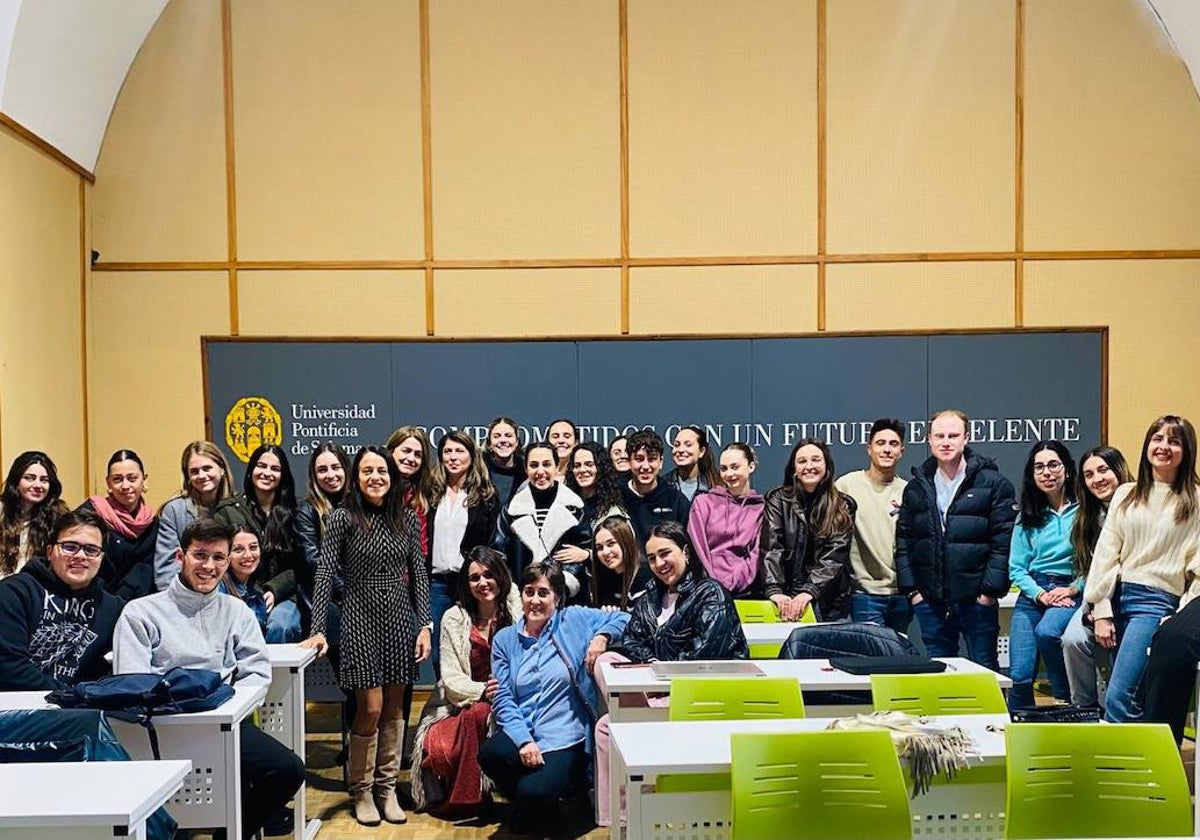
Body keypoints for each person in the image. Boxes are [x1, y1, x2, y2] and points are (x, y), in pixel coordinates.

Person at [114, 518, 305, 839]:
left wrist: (223, 712)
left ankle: (230, 833)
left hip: (225, 723)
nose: (209, 565)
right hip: (159, 728)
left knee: (288, 770)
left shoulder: (237, 611)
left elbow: (256, 674)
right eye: (200, 555)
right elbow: (131, 681)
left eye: (218, 557)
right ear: (180, 557)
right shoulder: (140, 612)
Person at [302, 445, 432, 826]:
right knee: (370, 708)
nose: (376, 477)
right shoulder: (342, 518)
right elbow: (324, 573)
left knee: (395, 709)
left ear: (392, 478)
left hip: (398, 617)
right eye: (367, 471)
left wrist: (424, 624)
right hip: (358, 615)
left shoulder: (406, 518)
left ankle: (386, 788)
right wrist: (318, 629)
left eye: (382, 471)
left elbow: (419, 575)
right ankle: (360, 790)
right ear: (356, 478)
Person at [593, 520, 749, 827]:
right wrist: (652, 663)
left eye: (666, 553)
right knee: (606, 678)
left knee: (607, 727)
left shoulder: (711, 593)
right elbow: (631, 640)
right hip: (660, 690)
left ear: (686, 552)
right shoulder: (652, 594)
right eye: (652, 558)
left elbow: (703, 657)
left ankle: (640, 807)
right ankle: (619, 821)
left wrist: (656, 670)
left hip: (702, 696)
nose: (659, 564)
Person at [479, 561, 628, 836]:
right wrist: (524, 740)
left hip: (564, 733)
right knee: (490, 754)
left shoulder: (572, 620)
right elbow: (502, 698)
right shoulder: (504, 639)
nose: (535, 600)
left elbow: (623, 618)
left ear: (557, 598)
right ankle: (534, 806)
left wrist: (601, 637)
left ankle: (542, 800)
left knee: (533, 791)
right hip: (523, 728)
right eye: (529, 592)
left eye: (543, 593)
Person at [1082, 415, 1200, 722]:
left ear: (1187, 450)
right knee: (1126, 694)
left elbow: (1197, 571)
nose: (1164, 446)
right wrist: (1102, 609)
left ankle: (1124, 765)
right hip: (1117, 597)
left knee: (1120, 696)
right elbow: (1106, 553)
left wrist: (1179, 617)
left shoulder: (1195, 499)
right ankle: (1138, 760)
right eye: (1157, 439)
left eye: (1174, 441)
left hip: (1155, 603)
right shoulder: (1126, 493)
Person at [895, 410, 1016, 670]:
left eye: (953, 435)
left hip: (976, 601)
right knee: (938, 671)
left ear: (966, 438)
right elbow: (904, 541)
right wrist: (914, 592)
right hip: (930, 601)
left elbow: (1003, 541)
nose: (946, 442)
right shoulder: (916, 487)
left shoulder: (993, 484)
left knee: (985, 670)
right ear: (929, 439)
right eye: (939, 436)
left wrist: (988, 592)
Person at [411, 547, 521, 814]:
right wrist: (483, 690)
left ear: (501, 576)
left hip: (512, 698)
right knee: (470, 719)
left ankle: (464, 797)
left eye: (488, 575)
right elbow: (450, 678)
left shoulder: (517, 608)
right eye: (474, 578)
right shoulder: (453, 617)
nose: (482, 583)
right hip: (460, 703)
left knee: (481, 713)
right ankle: (470, 794)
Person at [0, 508, 123, 690]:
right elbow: (9, 668)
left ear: (101, 558)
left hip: (75, 710)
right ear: (50, 552)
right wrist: (70, 698)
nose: (80, 556)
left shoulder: (112, 608)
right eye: (70, 547)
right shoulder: (14, 593)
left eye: (91, 550)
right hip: (16, 706)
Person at [1006, 440, 1080, 709]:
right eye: (1039, 467)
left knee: (1048, 632)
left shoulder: (1085, 511)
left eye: (1053, 465)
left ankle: (1065, 698)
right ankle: (1018, 733)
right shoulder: (1027, 514)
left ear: (1067, 470)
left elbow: (1096, 561)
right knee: (1020, 673)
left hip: (1070, 590)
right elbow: (1016, 567)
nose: (1047, 473)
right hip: (1034, 593)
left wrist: (1074, 587)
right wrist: (1040, 595)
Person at [1061, 446, 1131, 709]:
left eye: (1103, 470)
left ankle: (1120, 713)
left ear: (1119, 469)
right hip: (1097, 595)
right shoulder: (1086, 517)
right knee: (1073, 640)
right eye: (1089, 474)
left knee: (1120, 652)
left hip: (1130, 596)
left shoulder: (1137, 505)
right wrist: (1095, 609)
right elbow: (1093, 570)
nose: (1097, 479)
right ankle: (1085, 709)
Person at [214, 443, 303, 643]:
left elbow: (302, 564)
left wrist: (275, 588)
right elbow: (218, 559)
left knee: (281, 625)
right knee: (246, 624)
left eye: (275, 468)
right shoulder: (228, 511)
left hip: (284, 595)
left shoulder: (297, 512)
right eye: (261, 466)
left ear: (283, 476)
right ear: (251, 470)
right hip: (238, 594)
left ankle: (274, 676)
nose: (267, 473)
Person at [762, 438, 857, 621]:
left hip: (830, 602)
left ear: (826, 465)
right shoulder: (778, 500)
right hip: (785, 599)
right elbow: (772, 548)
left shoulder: (843, 505)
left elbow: (835, 556)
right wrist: (775, 590)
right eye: (802, 461)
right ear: (794, 469)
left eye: (816, 460)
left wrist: (809, 591)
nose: (809, 466)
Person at [428, 431, 499, 670]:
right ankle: (446, 703)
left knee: (473, 648)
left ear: (471, 455)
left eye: (460, 451)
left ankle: (475, 704)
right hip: (437, 584)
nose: (453, 457)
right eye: (448, 451)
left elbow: (490, 542)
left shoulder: (485, 495)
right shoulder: (431, 493)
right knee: (439, 652)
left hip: (469, 582)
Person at [835, 418, 911, 632]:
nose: (887, 449)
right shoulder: (846, 485)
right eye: (880, 443)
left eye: (893, 444)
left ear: (902, 451)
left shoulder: (909, 491)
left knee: (897, 658)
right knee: (873, 658)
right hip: (864, 594)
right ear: (869, 449)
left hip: (901, 595)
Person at [493, 442, 591, 604]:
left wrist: (560, 588)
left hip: (565, 599)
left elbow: (580, 553)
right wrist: (511, 591)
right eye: (533, 465)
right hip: (521, 598)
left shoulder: (575, 507)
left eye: (546, 464)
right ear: (526, 469)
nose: (540, 471)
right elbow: (498, 554)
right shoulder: (511, 510)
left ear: (557, 467)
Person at [77, 449, 158, 601]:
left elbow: (146, 569)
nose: (125, 485)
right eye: (117, 479)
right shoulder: (89, 514)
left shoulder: (152, 523)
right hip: (93, 600)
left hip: (138, 605)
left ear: (144, 480)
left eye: (132, 478)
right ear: (108, 483)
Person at [686, 442, 765, 598]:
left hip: (745, 592)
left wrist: (732, 584)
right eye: (723, 468)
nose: (729, 474)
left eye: (735, 467)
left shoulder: (762, 508)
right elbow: (697, 549)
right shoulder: (703, 502)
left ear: (751, 467)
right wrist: (713, 585)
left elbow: (756, 555)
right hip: (705, 591)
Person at [154, 441, 234, 592]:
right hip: (184, 595)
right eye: (194, 471)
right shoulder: (174, 510)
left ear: (221, 469)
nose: (202, 475)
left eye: (207, 468)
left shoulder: (237, 508)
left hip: (230, 596)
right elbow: (166, 567)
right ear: (188, 477)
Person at [294, 443, 350, 641]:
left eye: (336, 467)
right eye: (322, 470)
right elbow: (312, 560)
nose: (330, 475)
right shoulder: (307, 511)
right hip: (329, 603)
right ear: (314, 475)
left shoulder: (359, 506)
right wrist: (344, 588)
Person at [0, 451, 69, 580]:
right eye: (29, 478)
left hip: (35, 589)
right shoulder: (2, 510)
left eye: (44, 480)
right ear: (16, 480)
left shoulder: (58, 515)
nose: (37, 485)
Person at [620, 430, 690, 547]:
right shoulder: (616, 497)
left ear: (661, 462)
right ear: (629, 461)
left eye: (652, 459)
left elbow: (687, 547)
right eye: (639, 459)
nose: (646, 466)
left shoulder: (676, 500)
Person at [387, 425, 435, 558]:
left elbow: (422, 547)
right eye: (406, 451)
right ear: (391, 451)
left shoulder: (423, 494)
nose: (411, 458)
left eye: (418, 455)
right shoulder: (375, 490)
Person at [564, 441, 626, 536]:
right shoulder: (565, 505)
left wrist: (587, 552)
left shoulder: (613, 512)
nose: (582, 470)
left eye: (589, 464)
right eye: (577, 466)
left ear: (601, 468)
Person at [590, 515, 651, 610]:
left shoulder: (646, 575)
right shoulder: (603, 578)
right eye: (599, 548)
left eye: (611, 544)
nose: (605, 552)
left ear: (625, 542)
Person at [217, 524, 270, 633]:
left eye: (253, 547)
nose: (248, 555)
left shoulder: (257, 585)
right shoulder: (219, 589)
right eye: (238, 550)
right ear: (226, 554)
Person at [664, 426, 719, 502]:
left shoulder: (715, 487)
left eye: (688, 445)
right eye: (677, 445)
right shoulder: (662, 485)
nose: (681, 450)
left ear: (701, 451)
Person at [484, 416, 523, 506]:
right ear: (489, 443)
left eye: (508, 436)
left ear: (516, 441)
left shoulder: (526, 471)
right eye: (497, 436)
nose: (503, 440)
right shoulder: (478, 470)